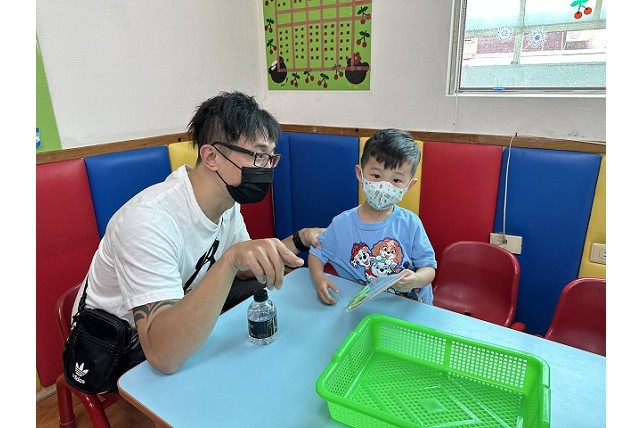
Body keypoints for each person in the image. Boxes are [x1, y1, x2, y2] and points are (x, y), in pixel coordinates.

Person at [71, 91, 323, 375]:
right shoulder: (148, 220)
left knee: (261, 300)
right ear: (212, 156)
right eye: (258, 156)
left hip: (178, 308)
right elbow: (163, 356)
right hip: (115, 345)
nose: (266, 168)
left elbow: (244, 269)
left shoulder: (228, 205)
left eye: (270, 158)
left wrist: (301, 238)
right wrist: (230, 259)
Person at [308, 128, 437, 306]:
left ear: (409, 185)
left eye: (396, 180)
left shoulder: (410, 223)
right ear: (360, 173)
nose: (384, 186)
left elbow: (429, 268)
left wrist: (416, 279)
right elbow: (317, 252)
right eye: (376, 176)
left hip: (411, 308)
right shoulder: (342, 224)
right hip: (367, 308)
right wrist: (318, 278)